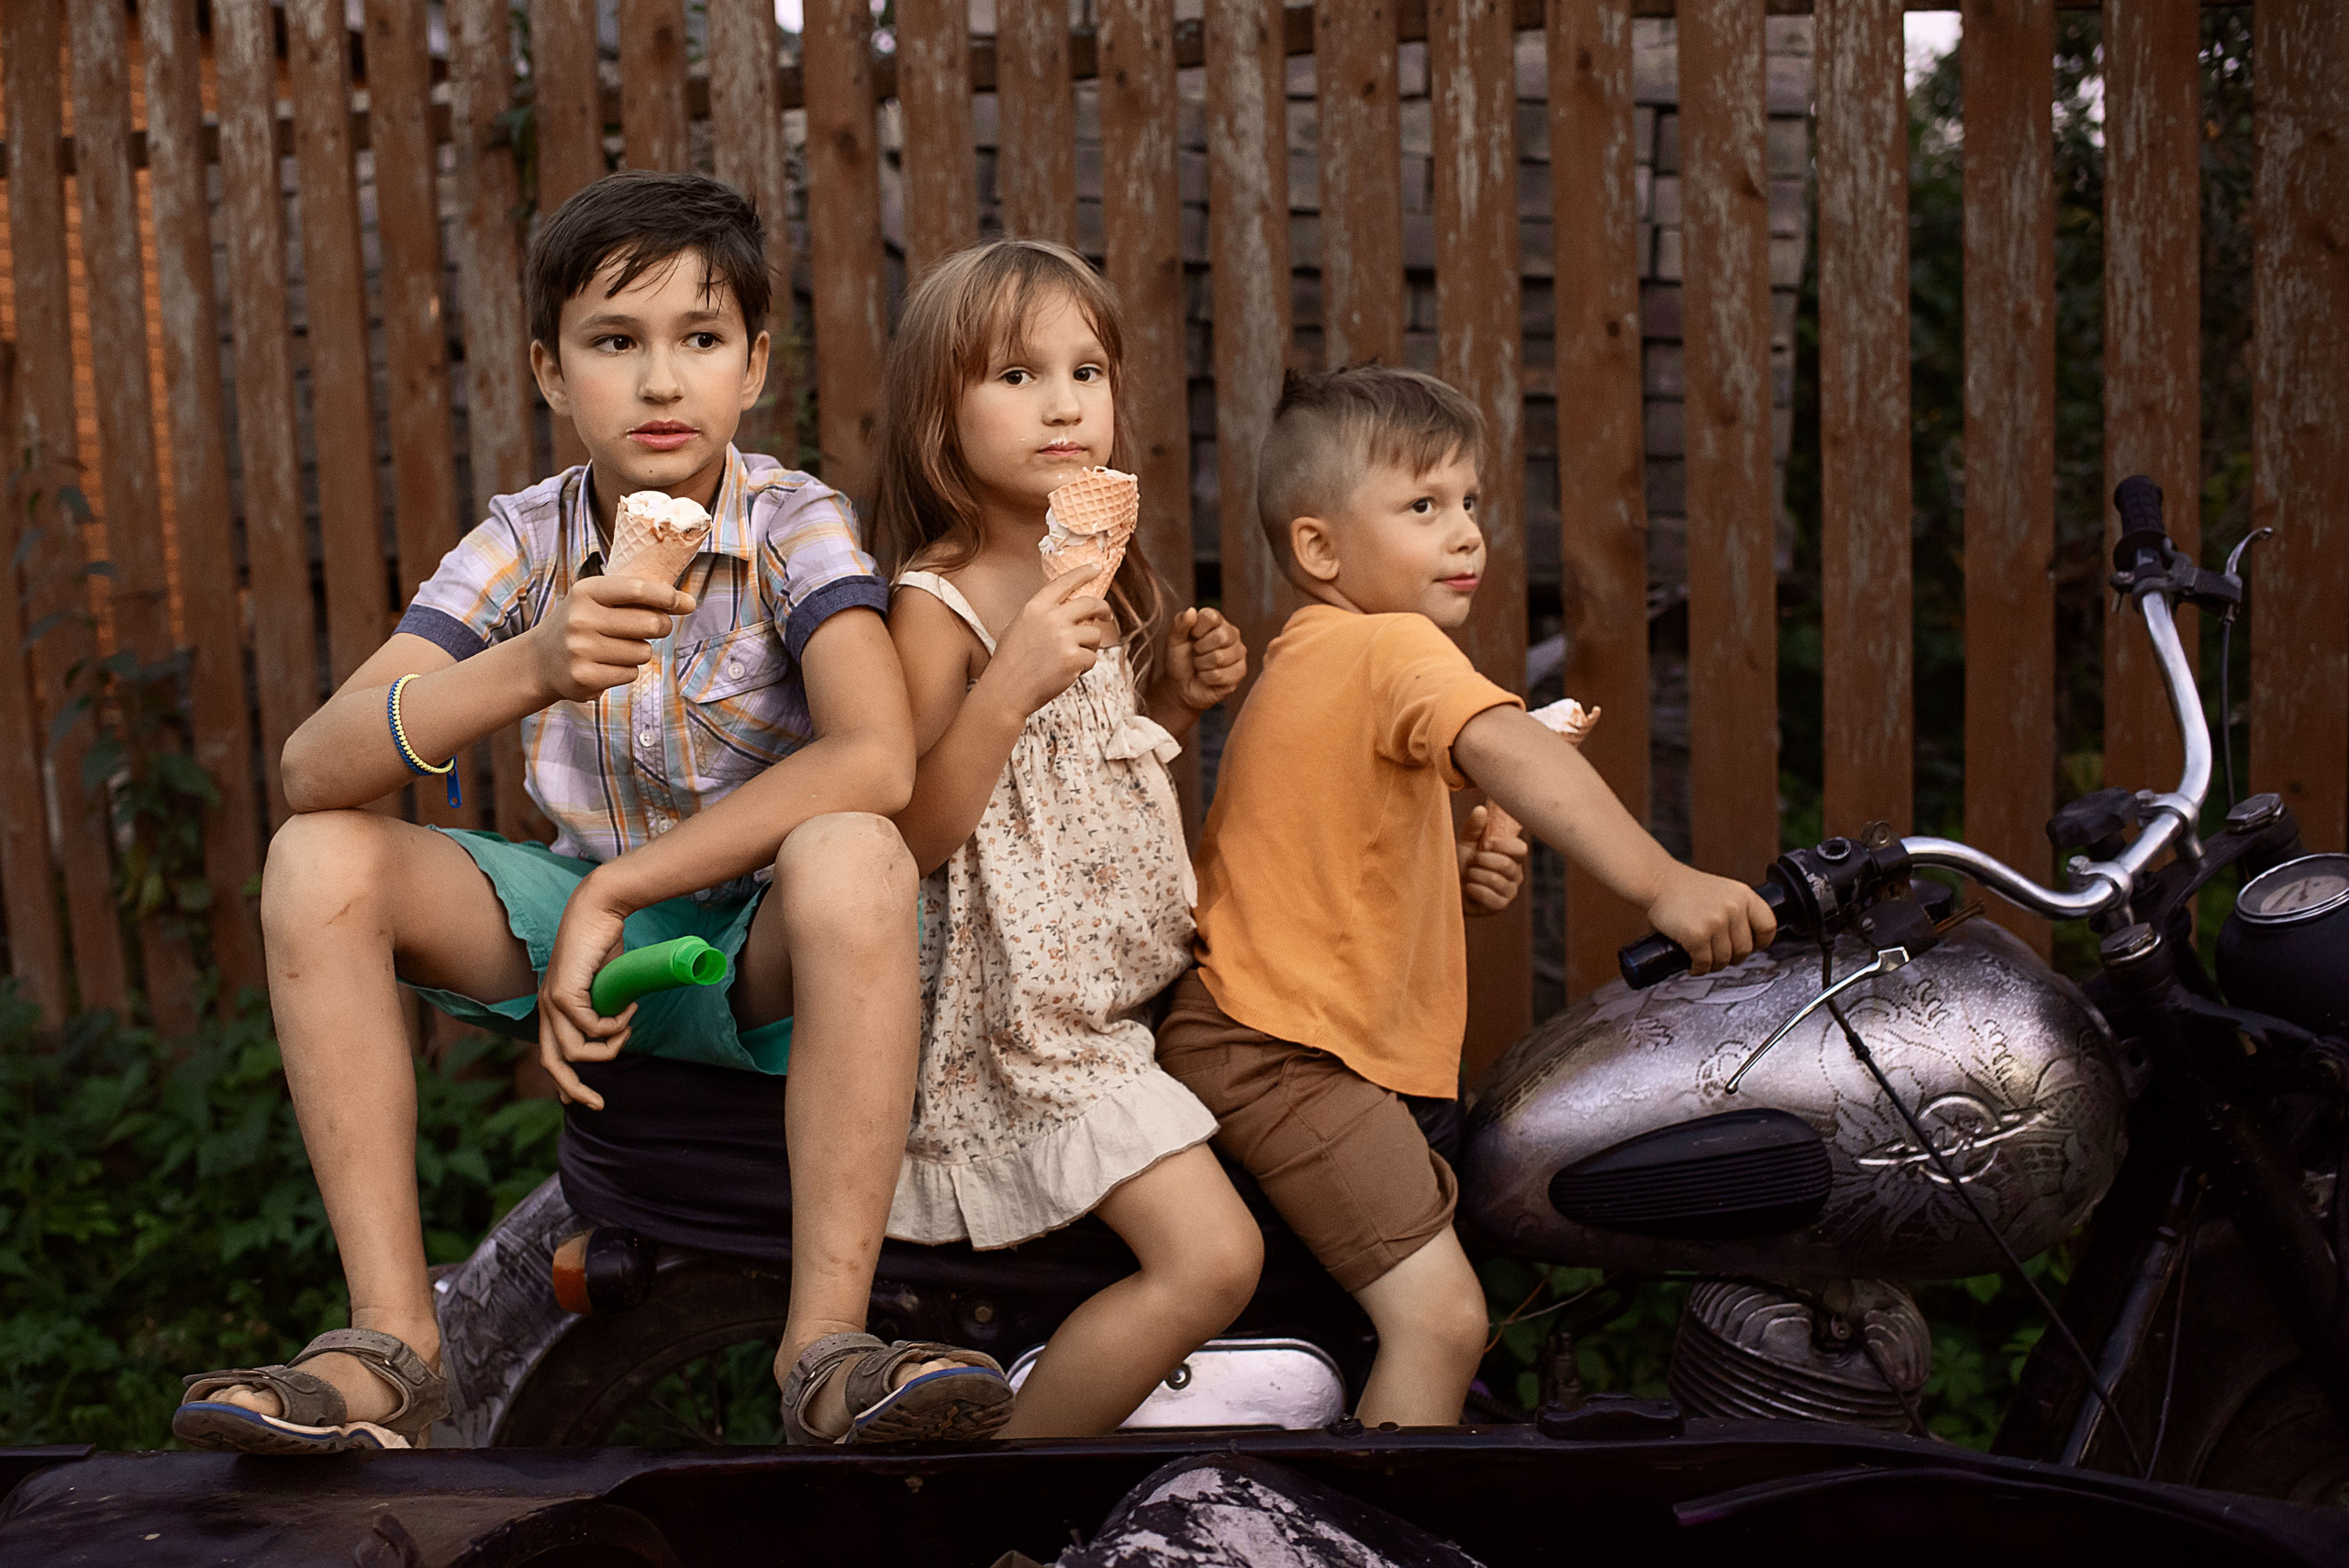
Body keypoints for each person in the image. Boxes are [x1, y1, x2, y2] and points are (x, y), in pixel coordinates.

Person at [173, 172, 1011, 1453]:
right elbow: (312, 765)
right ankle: (394, 1342)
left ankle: (826, 1346)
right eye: (616, 344)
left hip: (755, 942)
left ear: (755, 365)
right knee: (315, 856)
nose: (663, 384)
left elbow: (878, 754)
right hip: (575, 929)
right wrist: (527, 666)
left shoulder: (793, 523)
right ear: (552, 375)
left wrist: (619, 894)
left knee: (851, 850)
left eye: (702, 340)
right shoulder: (524, 542)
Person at [1156, 364, 1776, 1428]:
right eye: (1422, 506)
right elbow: (1511, 751)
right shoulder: (1393, 646)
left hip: (1265, 1032)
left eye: (1472, 502)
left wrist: (1454, 879)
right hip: (1284, 1054)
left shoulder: (1318, 655)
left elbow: (1328, 864)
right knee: (1440, 1321)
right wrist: (1662, 882)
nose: (1465, 534)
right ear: (1318, 547)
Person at [874, 239, 1264, 1438]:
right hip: (1023, 1025)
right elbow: (919, 833)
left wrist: (1176, 703)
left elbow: (1081, 782)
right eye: (1013, 374)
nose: (1061, 403)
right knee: (1212, 1259)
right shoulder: (935, 604)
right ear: (940, 419)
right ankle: (1000, 1503)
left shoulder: (1097, 574)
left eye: (1086, 371)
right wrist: (1011, 681)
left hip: (1126, 987)